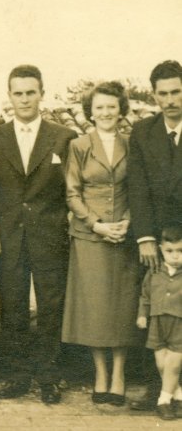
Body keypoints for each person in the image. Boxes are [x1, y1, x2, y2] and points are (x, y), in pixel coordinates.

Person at [0, 64, 77, 404]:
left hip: (50, 234)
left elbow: (72, 188)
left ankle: (49, 376)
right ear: (9, 96)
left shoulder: (63, 137)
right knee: (13, 305)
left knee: (52, 306)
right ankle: (18, 375)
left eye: (30, 92)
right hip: (9, 234)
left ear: (42, 93)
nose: (24, 99)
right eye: (18, 93)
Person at [62, 82, 141, 406]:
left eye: (111, 106)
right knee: (95, 309)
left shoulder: (132, 144)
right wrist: (96, 224)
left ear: (120, 109)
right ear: (90, 113)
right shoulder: (79, 145)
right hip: (90, 237)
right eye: (99, 108)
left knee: (121, 307)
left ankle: (119, 375)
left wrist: (126, 221)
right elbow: (72, 192)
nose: (106, 113)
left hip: (123, 236)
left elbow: (139, 187)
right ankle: (100, 375)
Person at [128, 60, 182, 411]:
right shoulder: (143, 132)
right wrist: (145, 236)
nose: (171, 100)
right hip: (159, 240)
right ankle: (156, 388)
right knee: (157, 312)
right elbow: (138, 187)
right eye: (163, 94)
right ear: (154, 96)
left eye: (176, 92)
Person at [137, 226, 182, 420]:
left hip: (179, 323)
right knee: (162, 363)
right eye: (169, 251)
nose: (175, 256)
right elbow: (145, 296)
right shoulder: (154, 271)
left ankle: (163, 401)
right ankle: (179, 395)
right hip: (157, 322)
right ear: (160, 250)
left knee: (173, 364)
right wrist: (142, 315)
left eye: (180, 251)